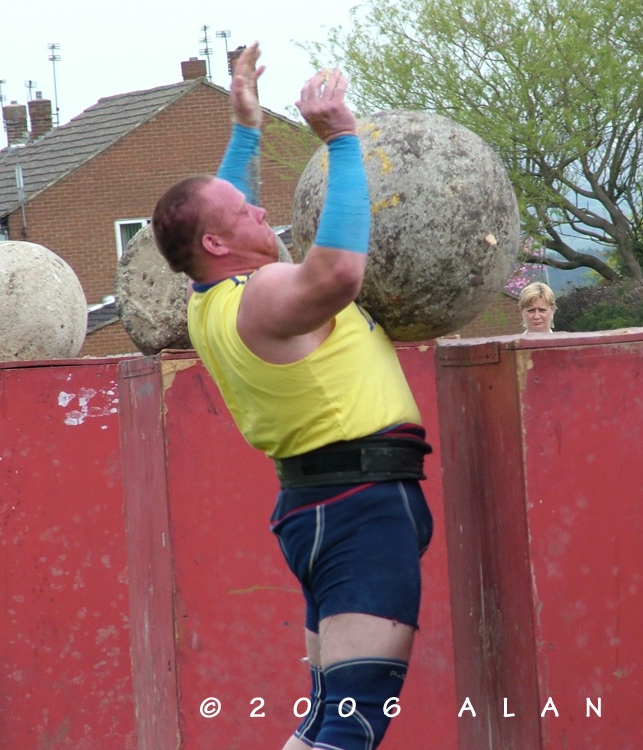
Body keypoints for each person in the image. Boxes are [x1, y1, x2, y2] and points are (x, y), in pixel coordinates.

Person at [151, 44, 432, 750]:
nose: (263, 211)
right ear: (218, 244)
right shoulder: (264, 295)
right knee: (351, 723)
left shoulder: (207, 295)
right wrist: (341, 141)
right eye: (248, 212)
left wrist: (245, 133)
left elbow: (207, 216)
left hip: (323, 508)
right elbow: (337, 272)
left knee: (323, 724)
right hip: (360, 508)